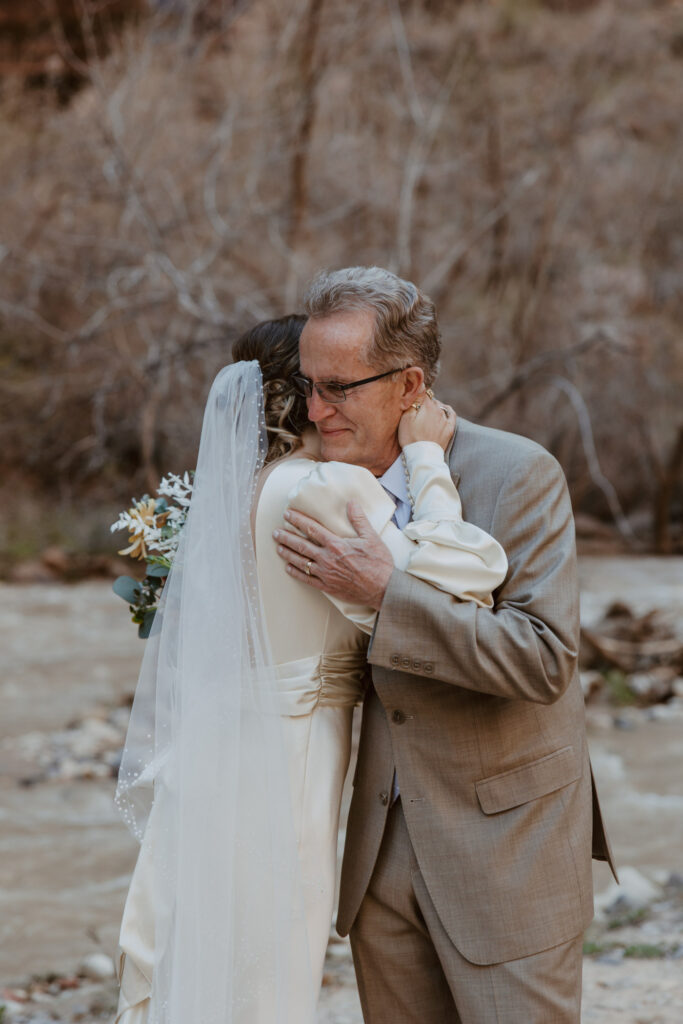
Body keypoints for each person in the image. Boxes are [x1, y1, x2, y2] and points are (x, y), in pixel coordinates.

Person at [114, 314, 509, 1024]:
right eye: (325, 385)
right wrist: (427, 461)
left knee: (214, 954)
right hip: (287, 760)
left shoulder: (237, 493)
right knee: (272, 968)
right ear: (304, 397)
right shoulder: (319, 490)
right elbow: (459, 583)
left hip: (219, 751)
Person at [274, 266, 618, 1024]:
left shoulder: (517, 473)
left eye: (339, 386)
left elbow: (540, 657)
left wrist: (386, 593)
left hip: (508, 849)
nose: (315, 408)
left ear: (409, 383)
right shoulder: (311, 484)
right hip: (377, 852)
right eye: (307, 385)